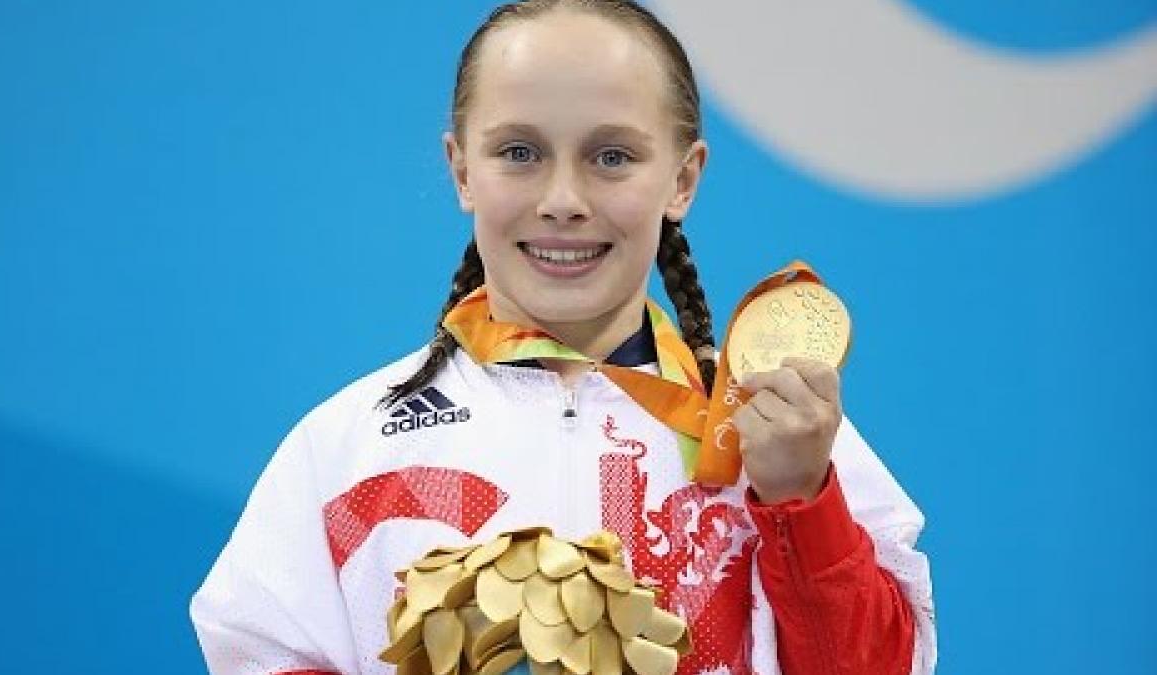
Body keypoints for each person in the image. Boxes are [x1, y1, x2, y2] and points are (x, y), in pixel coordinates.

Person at [189, 2, 937, 674]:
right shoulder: (348, 449)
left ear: (683, 179)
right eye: (519, 152)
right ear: (462, 171)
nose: (563, 200)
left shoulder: (781, 439)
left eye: (612, 156)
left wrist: (802, 503)